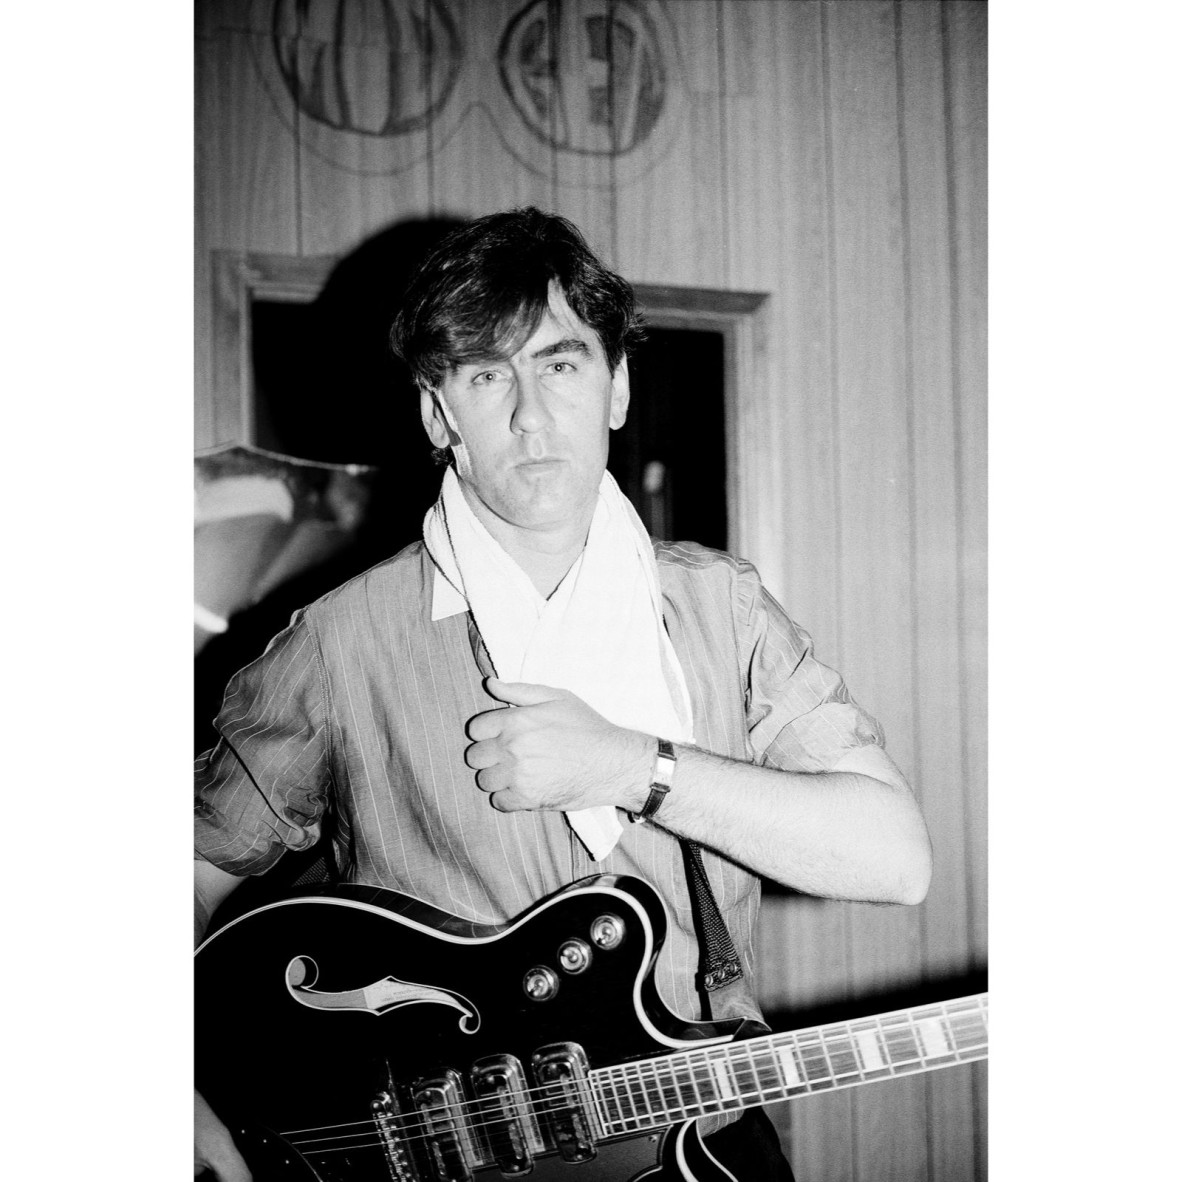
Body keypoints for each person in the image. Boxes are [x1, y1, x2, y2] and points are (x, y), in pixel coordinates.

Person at [193, 208, 932, 1180]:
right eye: (487, 375)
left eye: (561, 364)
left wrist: (633, 765)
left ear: (617, 386)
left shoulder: (723, 608)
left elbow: (896, 860)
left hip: (694, 1145)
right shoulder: (337, 645)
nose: (530, 415)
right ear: (436, 412)